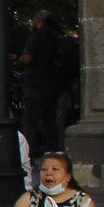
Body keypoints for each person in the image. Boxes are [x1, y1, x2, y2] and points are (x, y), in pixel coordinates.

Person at [16, 10, 70, 156]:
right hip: (54, 84)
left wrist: (19, 59)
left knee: (29, 120)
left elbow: (28, 57)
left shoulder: (37, 36)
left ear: (38, 20)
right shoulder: (56, 36)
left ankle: (30, 154)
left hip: (36, 83)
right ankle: (53, 151)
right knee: (50, 120)